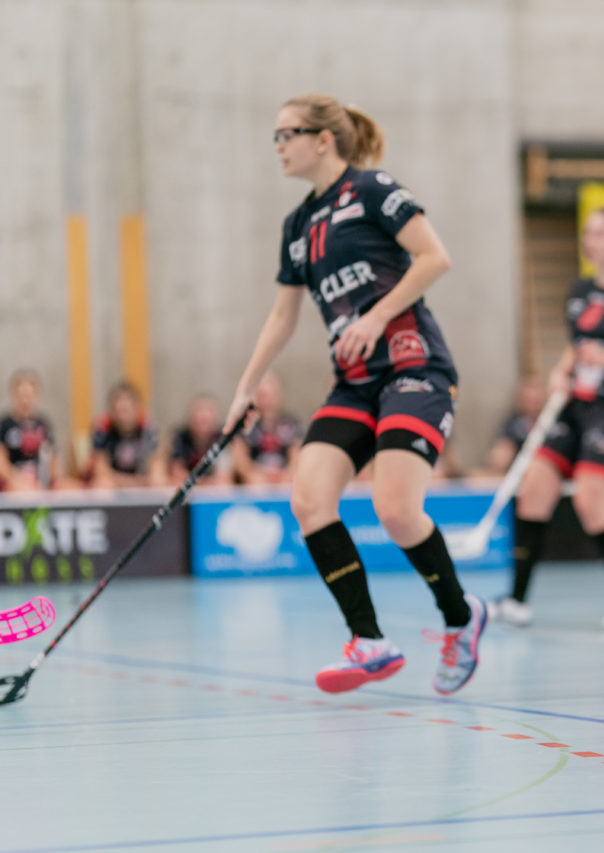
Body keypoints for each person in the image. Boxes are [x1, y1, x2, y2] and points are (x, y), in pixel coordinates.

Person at [222, 93, 485, 696]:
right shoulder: (296, 226)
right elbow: (283, 317)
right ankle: (369, 641)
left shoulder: (373, 189)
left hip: (415, 369)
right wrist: (244, 391)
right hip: (356, 382)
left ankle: (461, 621)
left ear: (323, 140)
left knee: (395, 508)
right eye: (276, 135)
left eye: (287, 133)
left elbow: (433, 257)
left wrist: (374, 317)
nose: (278, 146)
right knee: (310, 501)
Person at [493, 207, 604, 630]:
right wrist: (560, 372)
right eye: (588, 234)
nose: (589, 241)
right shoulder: (580, 292)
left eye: (599, 234)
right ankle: (516, 600)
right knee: (533, 488)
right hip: (575, 405)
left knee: (591, 502)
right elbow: (578, 347)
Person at [0, 369, 69, 491]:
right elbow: (2, 465)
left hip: (40, 481)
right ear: (14, 396)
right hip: (15, 482)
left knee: (70, 489)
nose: (25, 401)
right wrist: (17, 480)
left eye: (29, 396)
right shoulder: (5, 425)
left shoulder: (43, 424)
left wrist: (57, 480)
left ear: (37, 396)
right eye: (21, 396)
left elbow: (53, 460)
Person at [232, 372, 301, 485]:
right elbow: (240, 460)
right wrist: (253, 475)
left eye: (270, 394)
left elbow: (296, 455)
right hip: (255, 481)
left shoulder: (291, 423)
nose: (267, 400)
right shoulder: (245, 423)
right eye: (262, 395)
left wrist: (288, 474)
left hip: (284, 480)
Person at [88, 381, 159, 488]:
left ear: (137, 408)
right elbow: (101, 471)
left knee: (158, 481)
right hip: (116, 484)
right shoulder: (103, 429)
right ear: (111, 411)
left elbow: (157, 469)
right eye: (118, 410)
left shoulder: (148, 428)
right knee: (102, 484)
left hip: (142, 483)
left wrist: (148, 480)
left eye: (126, 410)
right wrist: (131, 482)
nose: (122, 417)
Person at [478, 375, 546, 476]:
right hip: (517, 473)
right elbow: (499, 455)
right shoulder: (514, 423)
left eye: (536, 399)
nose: (532, 399)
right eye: (528, 398)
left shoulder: (557, 423)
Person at [168, 394, 235, 487]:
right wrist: (204, 483)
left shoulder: (223, 439)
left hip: (211, 491)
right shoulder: (180, 438)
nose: (203, 417)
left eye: (208, 414)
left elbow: (224, 476)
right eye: (199, 414)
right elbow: (177, 472)